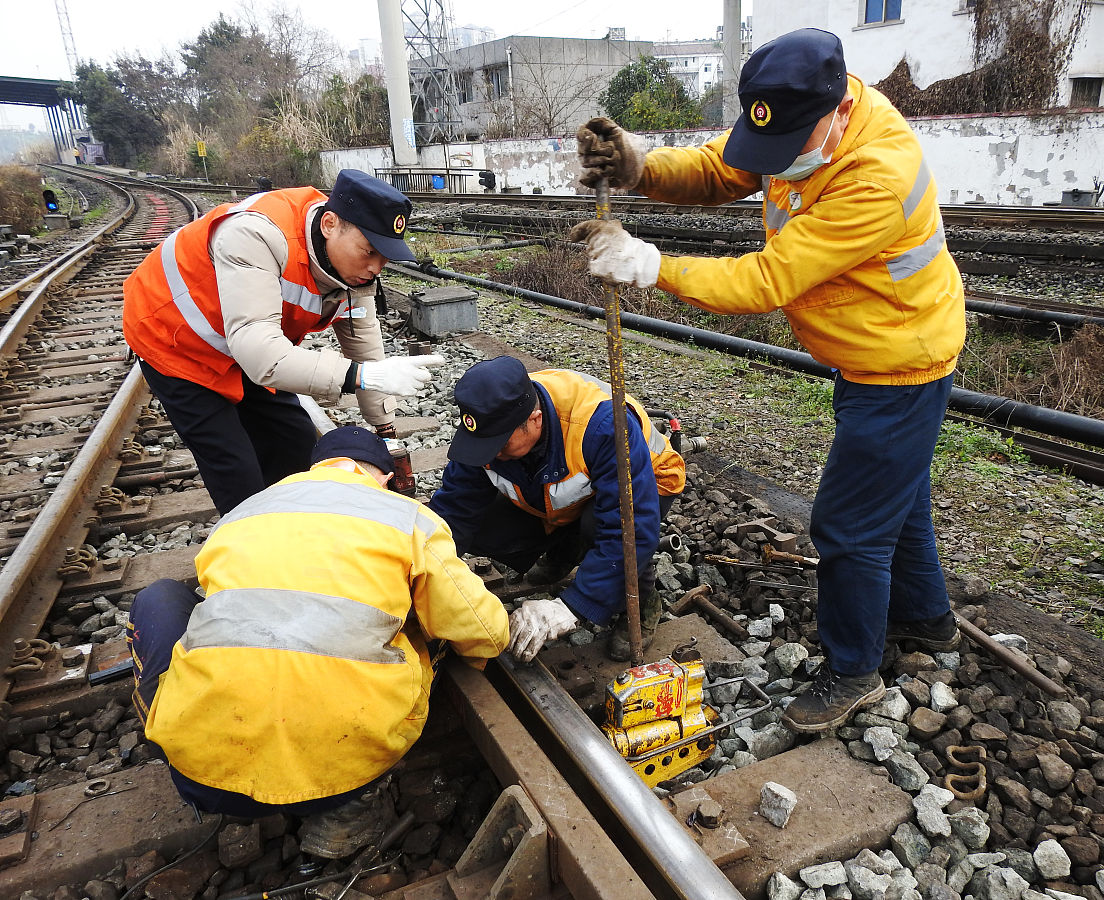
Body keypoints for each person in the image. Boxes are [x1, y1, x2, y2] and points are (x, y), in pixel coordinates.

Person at [570, 28, 966, 731]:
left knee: (847, 527)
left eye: (786, 147)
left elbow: (770, 277)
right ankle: (928, 621)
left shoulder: (877, 170)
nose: (775, 162)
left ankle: (853, 672)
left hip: (901, 362)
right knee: (895, 504)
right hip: (871, 351)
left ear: (839, 112)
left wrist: (650, 265)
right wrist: (640, 167)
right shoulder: (794, 117)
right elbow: (724, 170)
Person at [125, 425, 510, 858]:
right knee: (426, 626)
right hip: (343, 776)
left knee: (159, 597)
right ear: (382, 476)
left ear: (315, 469)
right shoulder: (405, 517)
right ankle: (355, 805)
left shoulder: (244, 513)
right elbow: (482, 629)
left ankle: (173, 724)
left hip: (201, 779)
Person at [122, 168, 444, 516]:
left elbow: (362, 340)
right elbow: (263, 357)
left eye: (385, 257)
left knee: (295, 445)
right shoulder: (256, 234)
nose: (376, 268)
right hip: (176, 341)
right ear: (329, 224)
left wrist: (383, 423)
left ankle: (296, 528)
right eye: (368, 252)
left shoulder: (355, 268)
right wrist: (359, 376)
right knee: (235, 467)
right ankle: (254, 548)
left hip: (252, 342)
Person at [428, 356, 686, 662]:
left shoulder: (603, 424)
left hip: (648, 484)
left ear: (535, 419)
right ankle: (565, 551)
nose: (491, 454)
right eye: (484, 444)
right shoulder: (488, 426)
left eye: (500, 444)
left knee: (599, 527)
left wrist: (573, 606)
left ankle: (643, 603)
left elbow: (630, 528)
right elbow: (455, 508)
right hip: (565, 490)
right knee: (482, 524)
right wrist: (426, 568)